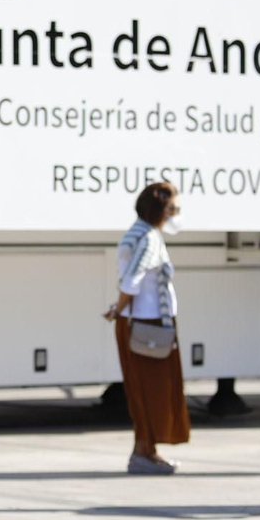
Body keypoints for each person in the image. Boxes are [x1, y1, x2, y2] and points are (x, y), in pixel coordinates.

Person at [104, 182, 190, 475]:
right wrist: (120, 305)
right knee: (153, 390)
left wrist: (119, 308)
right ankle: (144, 451)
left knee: (143, 390)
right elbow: (132, 279)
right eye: (173, 209)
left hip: (138, 320)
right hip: (149, 322)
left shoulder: (136, 232)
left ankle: (146, 449)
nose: (176, 214)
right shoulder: (150, 238)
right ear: (159, 210)